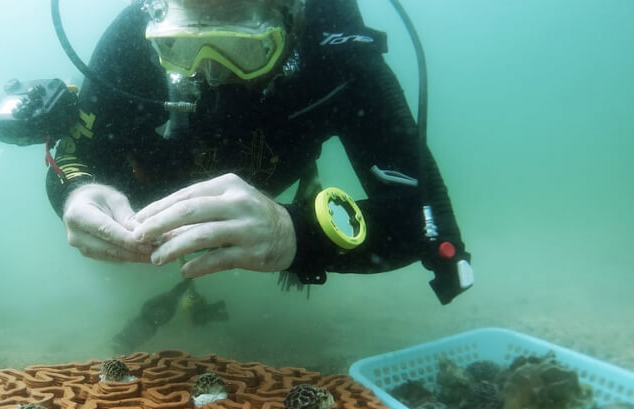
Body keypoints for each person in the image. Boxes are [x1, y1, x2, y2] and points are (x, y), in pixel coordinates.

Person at [46, 0, 473, 309]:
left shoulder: (337, 56)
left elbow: (423, 217)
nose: (210, 72)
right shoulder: (131, 39)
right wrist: (78, 194)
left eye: (244, 48)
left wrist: (296, 233)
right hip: (144, 198)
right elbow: (73, 154)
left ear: (294, 15)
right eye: (178, 46)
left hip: (270, 193)